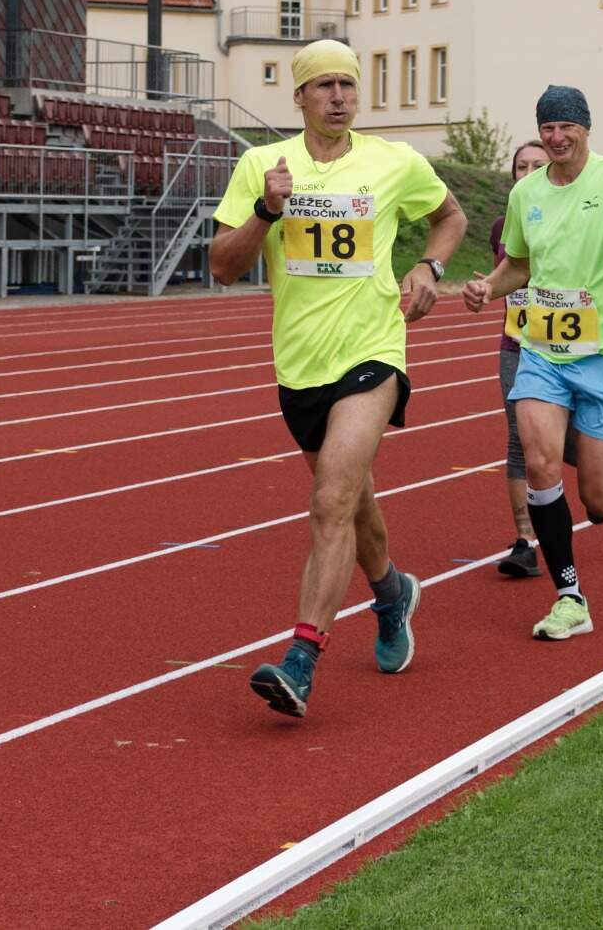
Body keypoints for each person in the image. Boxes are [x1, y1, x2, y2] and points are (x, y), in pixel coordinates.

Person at [209, 39, 467, 716]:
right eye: (323, 85)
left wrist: (428, 268)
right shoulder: (262, 164)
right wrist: (266, 210)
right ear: (299, 97)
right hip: (299, 364)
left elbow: (450, 216)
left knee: (329, 500)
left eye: (347, 85)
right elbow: (222, 266)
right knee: (352, 501)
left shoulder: (394, 162)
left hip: (373, 349)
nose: (338, 96)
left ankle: (301, 657)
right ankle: (391, 594)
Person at [463, 87, 603, 641]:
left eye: (567, 127)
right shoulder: (526, 193)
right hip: (541, 351)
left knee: (600, 500)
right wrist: (488, 287)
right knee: (538, 462)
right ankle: (569, 597)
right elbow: (518, 264)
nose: (557, 137)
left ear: (586, 128)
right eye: (548, 128)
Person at [488, 140, 575, 579]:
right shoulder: (504, 224)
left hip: (570, 345)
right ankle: (525, 539)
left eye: (536, 165)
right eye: (520, 166)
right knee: (519, 438)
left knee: (572, 442)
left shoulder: (574, 213)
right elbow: (507, 278)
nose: (527, 172)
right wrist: (485, 287)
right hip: (517, 345)